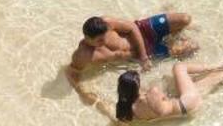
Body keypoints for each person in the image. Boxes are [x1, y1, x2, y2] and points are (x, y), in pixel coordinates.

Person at [112, 56, 223, 125]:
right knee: (181, 68)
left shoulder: (127, 111)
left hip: (181, 111)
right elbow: (159, 93)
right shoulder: (152, 93)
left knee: (206, 81)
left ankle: (219, 72)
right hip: (188, 102)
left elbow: (122, 124)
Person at [66, 10, 197, 89]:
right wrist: (88, 96)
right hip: (151, 50)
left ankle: (169, 16)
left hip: (144, 30)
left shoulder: (106, 23)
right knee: (192, 48)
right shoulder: (83, 55)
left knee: (185, 19)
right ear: (87, 38)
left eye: (105, 37)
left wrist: (143, 57)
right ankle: (173, 37)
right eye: (99, 40)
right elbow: (73, 72)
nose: (104, 41)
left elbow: (132, 28)